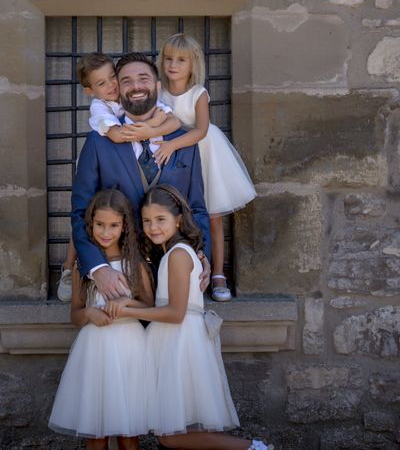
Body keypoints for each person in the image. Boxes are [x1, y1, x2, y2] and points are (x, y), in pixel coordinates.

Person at [104, 185, 270, 450]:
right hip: (173, 340)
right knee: (180, 430)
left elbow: (175, 312)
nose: (153, 227)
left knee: (170, 435)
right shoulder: (172, 252)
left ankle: (252, 448)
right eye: (146, 221)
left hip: (181, 342)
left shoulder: (179, 254)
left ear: (178, 219)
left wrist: (126, 309)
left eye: (161, 219)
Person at [71, 52, 211, 301]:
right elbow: (82, 212)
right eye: (126, 81)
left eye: (143, 79)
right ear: (118, 89)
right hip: (120, 281)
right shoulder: (97, 142)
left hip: (177, 279)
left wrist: (202, 255)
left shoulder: (184, 142)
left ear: (157, 86)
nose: (136, 87)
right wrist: (98, 269)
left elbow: (197, 208)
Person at [49, 188, 154, 450]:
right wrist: (88, 313)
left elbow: (149, 306)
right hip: (94, 350)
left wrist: (127, 302)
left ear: (124, 226)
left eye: (113, 226)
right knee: (96, 432)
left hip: (130, 348)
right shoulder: (83, 267)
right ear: (90, 224)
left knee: (129, 432)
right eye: (99, 225)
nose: (106, 233)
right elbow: (75, 314)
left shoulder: (134, 263)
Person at [155, 33, 257, 302]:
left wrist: (172, 145)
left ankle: (218, 274)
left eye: (180, 60)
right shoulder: (159, 91)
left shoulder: (199, 93)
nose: (173, 65)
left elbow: (200, 130)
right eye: (168, 59)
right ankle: (176, 271)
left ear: (193, 64)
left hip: (205, 153)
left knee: (212, 215)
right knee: (175, 213)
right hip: (177, 161)